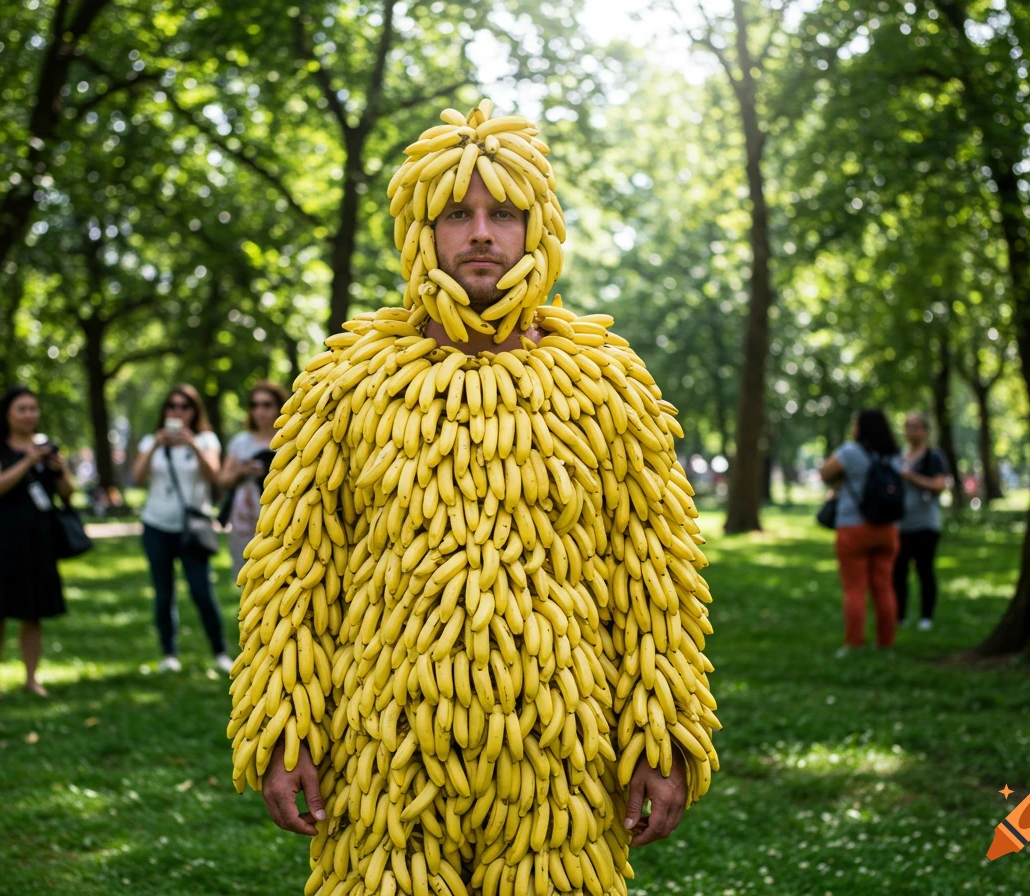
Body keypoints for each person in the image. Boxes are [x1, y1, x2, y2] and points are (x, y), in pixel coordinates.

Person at [232, 101, 721, 895]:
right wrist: (284, 731)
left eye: (506, 213)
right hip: (384, 754)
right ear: (422, 232)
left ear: (540, 229)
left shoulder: (608, 383)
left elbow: (654, 575)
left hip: (562, 756)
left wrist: (662, 737)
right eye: (458, 214)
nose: (483, 234)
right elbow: (293, 573)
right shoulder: (344, 384)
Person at [0, 386, 75, 698]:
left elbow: (68, 494)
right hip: (3, 542)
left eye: (33, 408)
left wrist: (59, 470)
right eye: (22, 409)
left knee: (33, 614)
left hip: (38, 543)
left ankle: (31, 678)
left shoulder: (48, 450)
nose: (30, 415)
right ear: (8, 413)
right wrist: (28, 461)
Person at [132, 384, 231, 673]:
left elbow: (213, 475)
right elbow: (137, 478)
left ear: (194, 411)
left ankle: (220, 651)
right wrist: (154, 445)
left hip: (193, 528)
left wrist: (193, 445)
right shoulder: (152, 441)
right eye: (172, 406)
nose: (177, 411)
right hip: (156, 525)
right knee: (164, 592)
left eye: (184, 406)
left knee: (202, 590)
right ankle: (169, 654)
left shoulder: (207, 440)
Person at [820, 409, 901, 654]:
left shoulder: (850, 451)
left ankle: (854, 643)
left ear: (861, 427)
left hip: (852, 527)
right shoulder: (894, 455)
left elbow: (824, 472)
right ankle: (885, 643)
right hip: (887, 529)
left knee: (854, 588)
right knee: (884, 587)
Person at [218, 380, 288, 580]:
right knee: (249, 578)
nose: (260, 411)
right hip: (245, 520)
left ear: (279, 406)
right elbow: (222, 481)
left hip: (281, 517)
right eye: (254, 405)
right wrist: (241, 471)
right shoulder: (240, 442)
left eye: (267, 405)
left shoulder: (290, 439)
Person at [894, 412, 950, 630]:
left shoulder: (933, 457)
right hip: (900, 524)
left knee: (924, 570)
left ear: (925, 430)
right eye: (908, 426)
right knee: (899, 572)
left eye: (916, 427)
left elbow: (940, 485)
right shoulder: (899, 457)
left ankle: (926, 617)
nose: (911, 431)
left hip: (926, 524)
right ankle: (900, 616)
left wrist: (912, 478)